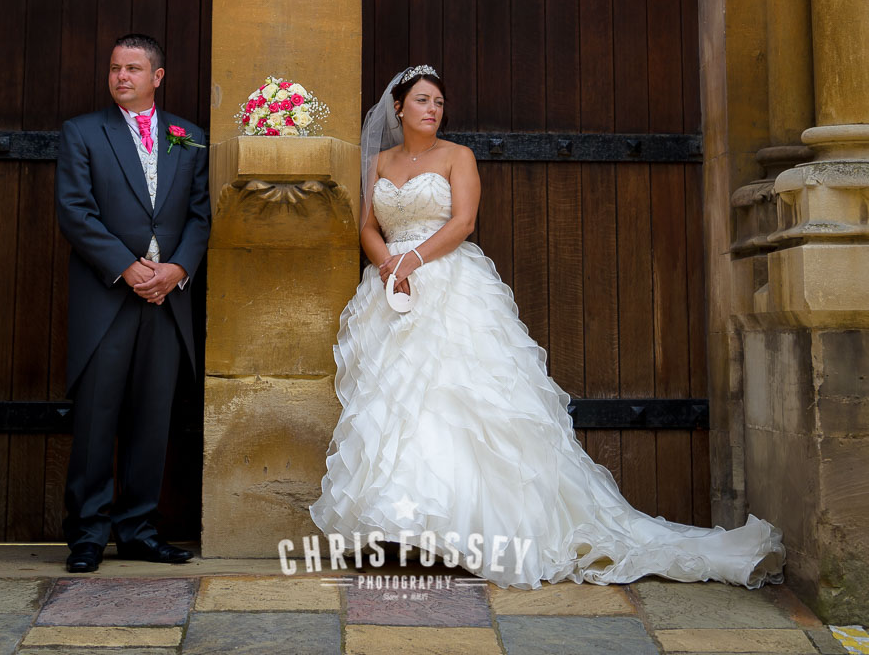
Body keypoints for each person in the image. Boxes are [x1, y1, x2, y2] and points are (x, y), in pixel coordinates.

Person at [310, 65, 785, 589]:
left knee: (460, 397)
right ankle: (410, 525)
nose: (432, 110)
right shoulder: (377, 162)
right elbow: (368, 226)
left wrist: (413, 262)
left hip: (446, 281)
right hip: (390, 289)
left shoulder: (457, 157)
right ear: (398, 108)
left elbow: (463, 222)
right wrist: (387, 268)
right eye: (422, 100)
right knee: (394, 402)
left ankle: (476, 528)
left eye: (439, 102)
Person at [55, 33, 210, 573]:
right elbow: (75, 211)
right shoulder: (82, 132)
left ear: (157, 77)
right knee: (98, 418)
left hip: (167, 299)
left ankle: (140, 531)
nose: (122, 76)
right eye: (116, 68)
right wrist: (126, 266)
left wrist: (176, 270)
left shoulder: (188, 137)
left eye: (134, 69)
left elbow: (200, 215)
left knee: (153, 416)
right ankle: (88, 536)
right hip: (108, 295)